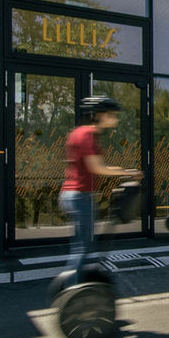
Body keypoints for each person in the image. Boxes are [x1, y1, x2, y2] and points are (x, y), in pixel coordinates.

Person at [59, 95, 140, 280]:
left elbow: (94, 165)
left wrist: (124, 171)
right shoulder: (86, 135)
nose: (115, 119)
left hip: (71, 194)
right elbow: (96, 168)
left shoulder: (78, 133)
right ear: (99, 115)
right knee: (83, 248)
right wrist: (126, 174)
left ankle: (73, 286)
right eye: (111, 114)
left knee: (82, 246)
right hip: (80, 196)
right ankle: (73, 291)